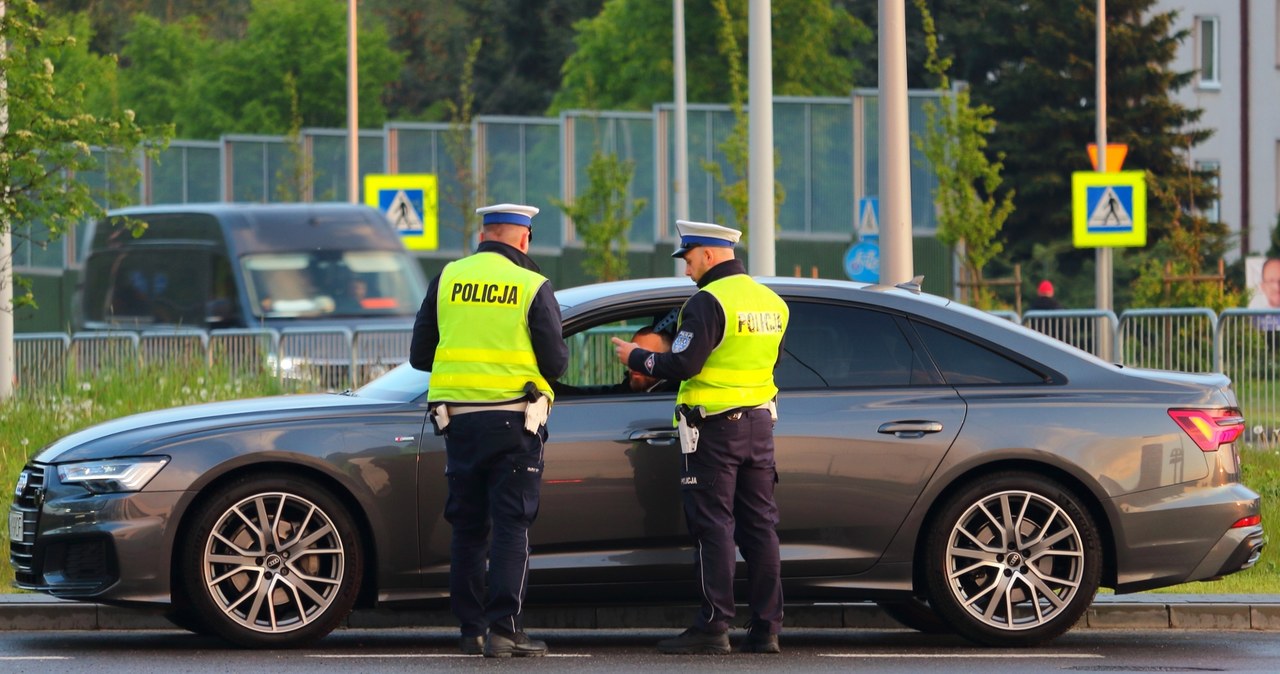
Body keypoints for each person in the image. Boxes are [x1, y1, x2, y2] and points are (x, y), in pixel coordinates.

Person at [611, 219, 789, 655]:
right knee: (761, 528)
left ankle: (713, 626)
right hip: (759, 427)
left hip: (714, 431)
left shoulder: (708, 302)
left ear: (709, 254)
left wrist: (637, 356)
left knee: (714, 528)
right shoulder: (773, 303)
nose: (687, 269)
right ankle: (767, 628)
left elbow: (684, 364)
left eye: (689, 259)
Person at [408, 203, 569, 658]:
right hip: (515, 421)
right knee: (511, 526)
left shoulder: (447, 279)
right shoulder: (531, 284)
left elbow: (422, 356)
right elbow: (556, 363)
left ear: (483, 235)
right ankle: (505, 631)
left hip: (457, 422)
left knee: (467, 526)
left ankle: (471, 630)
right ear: (524, 239)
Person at [555, 326, 677, 396]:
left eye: (643, 355)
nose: (634, 360)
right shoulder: (627, 390)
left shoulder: (670, 396)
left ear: (665, 359)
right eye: (632, 353)